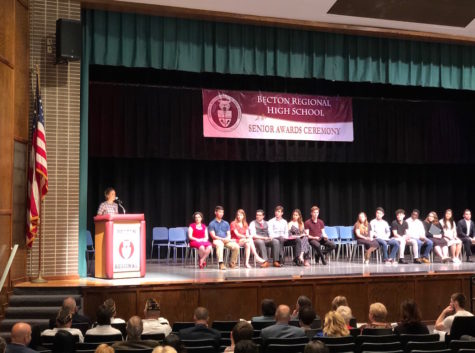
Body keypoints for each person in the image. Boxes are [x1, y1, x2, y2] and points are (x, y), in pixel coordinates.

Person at [208, 206, 239, 270]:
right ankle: (221, 263)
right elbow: (213, 236)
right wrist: (222, 239)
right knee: (220, 244)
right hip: (216, 240)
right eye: (220, 212)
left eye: (222, 212)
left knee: (236, 246)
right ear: (215, 212)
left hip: (225, 240)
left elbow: (229, 234)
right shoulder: (212, 223)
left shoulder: (226, 223)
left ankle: (232, 263)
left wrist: (227, 238)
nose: (221, 213)